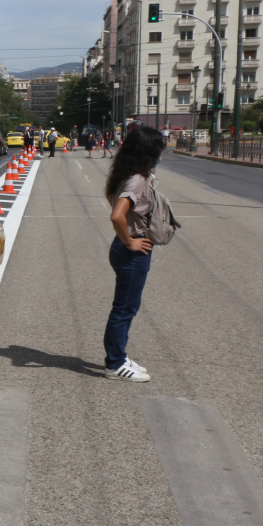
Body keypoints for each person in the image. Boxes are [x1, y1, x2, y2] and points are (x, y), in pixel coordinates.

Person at [102, 126, 164, 383]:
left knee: (126, 306)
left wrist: (128, 226)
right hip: (131, 251)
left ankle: (118, 356)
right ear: (148, 152)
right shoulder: (137, 180)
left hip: (124, 246)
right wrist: (131, 241)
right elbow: (116, 214)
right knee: (125, 308)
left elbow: (110, 196)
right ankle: (115, 364)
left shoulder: (126, 174)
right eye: (159, 149)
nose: (163, 153)